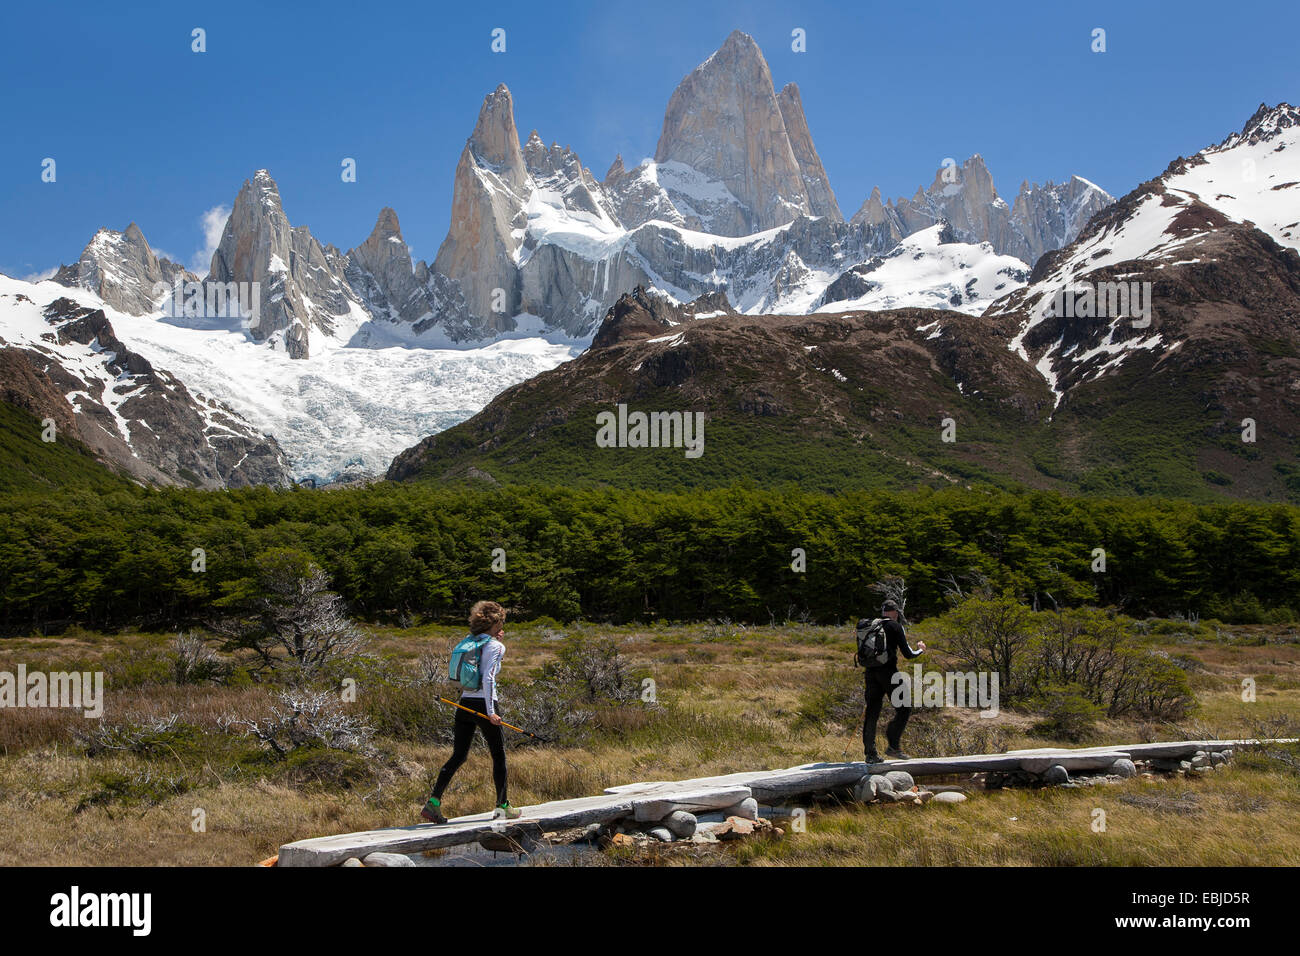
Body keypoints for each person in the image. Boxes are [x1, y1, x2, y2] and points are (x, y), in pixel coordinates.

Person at [421, 600, 522, 824]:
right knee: (498, 755)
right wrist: (491, 713)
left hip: (464, 703)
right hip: (485, 705)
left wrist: (496, 641)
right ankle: (503, 805)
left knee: (458, 755)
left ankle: (433, 803)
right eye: (502, 622)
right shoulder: (495, 646)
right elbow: (488, 677)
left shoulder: (471, 641)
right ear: (496, 623)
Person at [862, 599, 926, 763]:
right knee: (904, 708)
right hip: (889, 673)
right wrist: (921, 649)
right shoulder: (895, 626)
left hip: (870, 673)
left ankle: (870, 754)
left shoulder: (871, 625)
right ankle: (893, 747)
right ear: (896, 613)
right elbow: (908, 654)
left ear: (882, 612)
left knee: (872, 712)